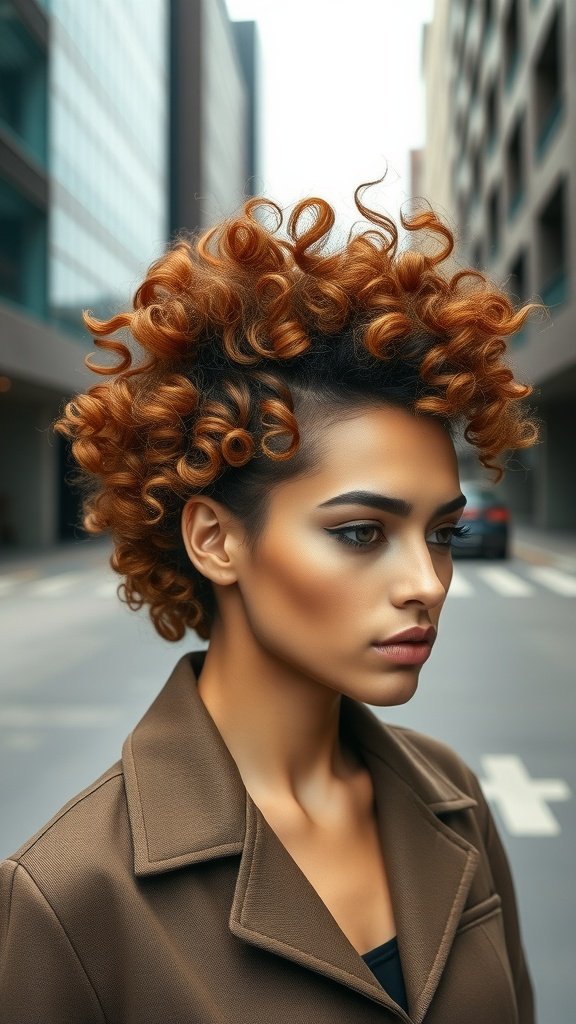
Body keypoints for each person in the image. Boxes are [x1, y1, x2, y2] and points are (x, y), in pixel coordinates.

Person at [0, 184, 538, 1023]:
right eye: (362, 533)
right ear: (216, 540)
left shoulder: (451, 795)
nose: (427, 584)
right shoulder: (68, 896)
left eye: (443, 534)